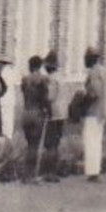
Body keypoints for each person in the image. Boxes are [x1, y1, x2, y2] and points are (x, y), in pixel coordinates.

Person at [18, 55, 50, 178]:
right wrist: (47, 110)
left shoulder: (25, 80)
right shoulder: (42, 80)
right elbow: (44, 98)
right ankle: (31, 175)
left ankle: (27, 173)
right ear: (39, 66)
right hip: (37, 113)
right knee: (34, 145)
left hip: (26, 113)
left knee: (29, 144)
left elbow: (25, 94)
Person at [42, 50, 68, 182]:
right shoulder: (62, 77)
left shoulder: (51, 79)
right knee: (56, 143)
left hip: (53, 114)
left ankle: (50, 173)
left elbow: (50, 97)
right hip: (62, 114)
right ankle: (55, 171)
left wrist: (43, 102)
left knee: (50, 143)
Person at [82, 48, 106, 182]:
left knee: (90, 141)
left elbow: (94, 93)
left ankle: (93, 172)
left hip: (93, 111)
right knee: (97, 141)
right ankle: (95, 170)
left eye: (86, 58)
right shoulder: (104, 71)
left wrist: (83, 100)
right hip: (102, 110)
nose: (84, 61)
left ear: (91, 59)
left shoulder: (94, 73)